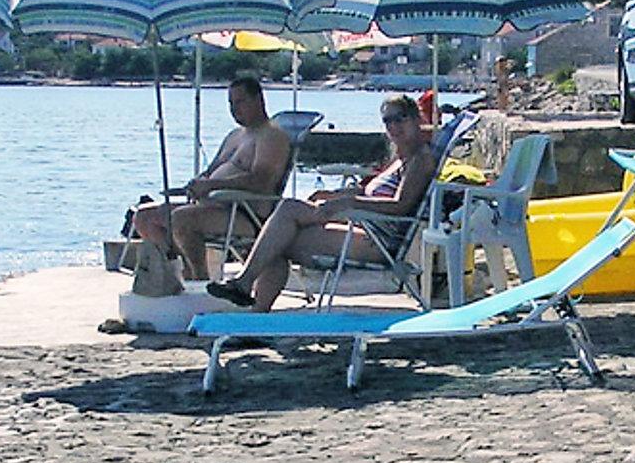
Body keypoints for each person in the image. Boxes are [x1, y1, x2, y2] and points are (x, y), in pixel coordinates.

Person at [206, 94, 436, 312]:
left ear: (416, 119)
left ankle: (249, 295)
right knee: (278, 233)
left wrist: (348, 203)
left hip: (377, 241)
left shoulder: (420, 159)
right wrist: (334, 195)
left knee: (278, 235)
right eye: (388, 120)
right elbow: (369, 192)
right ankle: (252, 304)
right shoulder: (400, 159)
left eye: (400, 118)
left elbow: (401, 206)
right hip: (362, 227)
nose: (393, 126)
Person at [131, 76, 291, 282]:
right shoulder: (235, 135)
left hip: (245, 213)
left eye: (240, 102)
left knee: (181, 219)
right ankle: (176, 270)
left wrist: (213, 185)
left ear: (259, 99)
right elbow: (210, 172)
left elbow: (261, 181)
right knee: (144, 217)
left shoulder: (271, 136)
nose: (235, 109)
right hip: (214, 206)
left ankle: (200, 278)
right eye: (231, 104)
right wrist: (198, 184)